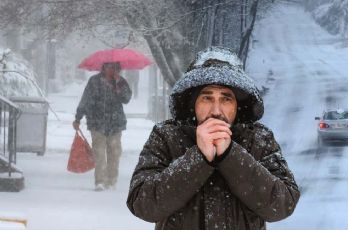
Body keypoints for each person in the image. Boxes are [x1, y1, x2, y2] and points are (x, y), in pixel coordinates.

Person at [127, 47, 299, 229]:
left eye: (226, 99)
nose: (216, 111)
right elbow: (142, 204)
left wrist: (231, 155)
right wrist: (198, 158)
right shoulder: (166, 136)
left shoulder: (259, 139)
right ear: (193, 103)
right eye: (207, 98)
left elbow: (283, 204)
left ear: (238, 105)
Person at [73, 62, 132, 191]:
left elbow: (126, 99)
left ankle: (111, 182)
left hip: (115, 124)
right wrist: (78, 118)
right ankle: (100, 181)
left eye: (114, 67)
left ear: (118, 69)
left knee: (114, 154)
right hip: (96, 123)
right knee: (99, 154)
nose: (111, 70)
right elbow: (85, 99)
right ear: (103, 67)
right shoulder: (94, 81)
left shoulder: (121, 82)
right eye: (109, 67)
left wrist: (119, 84)